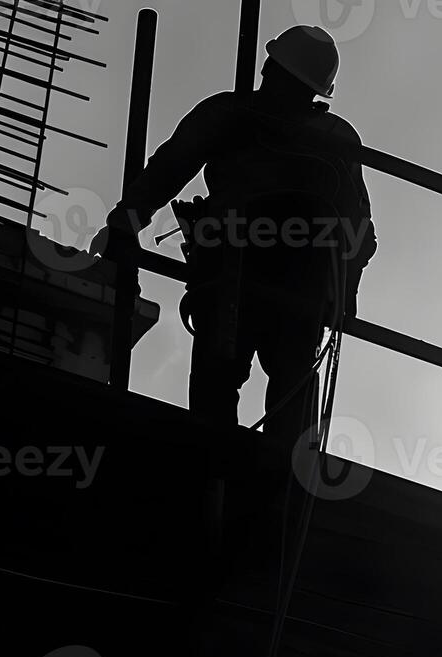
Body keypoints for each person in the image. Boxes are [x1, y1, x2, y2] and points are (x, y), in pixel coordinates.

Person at [97, 26, 376, 455]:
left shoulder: (232, 114)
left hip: (239, 274)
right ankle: (268, 486)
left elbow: (169, 168)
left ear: (268, 66)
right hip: (290, 283)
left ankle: (226, 477)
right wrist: (344, 295)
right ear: (319, 90)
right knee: (286, 399)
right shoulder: (335, 137)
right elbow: (359, 232)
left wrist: (125, 222)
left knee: (224, 392)